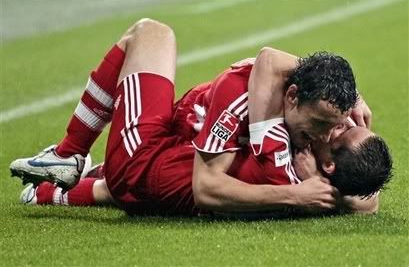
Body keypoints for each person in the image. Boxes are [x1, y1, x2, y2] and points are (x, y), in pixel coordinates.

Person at [10, 18, 391, 216]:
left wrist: (295, 191)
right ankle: (54, 191)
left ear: (327, 167)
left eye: (336, 129)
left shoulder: (273, 140)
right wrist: (351, 95)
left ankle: (67, 155)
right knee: (123, 186)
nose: (339, 127)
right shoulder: (321, 178)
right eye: (339, 121)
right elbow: (366, 200)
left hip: (146, 158)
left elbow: (268, 60)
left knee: (151, 34)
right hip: (176, 145)